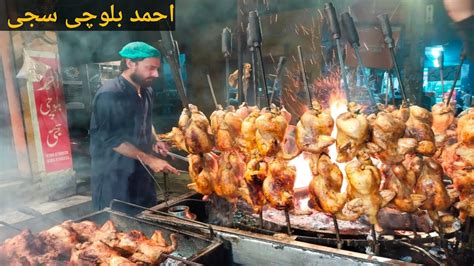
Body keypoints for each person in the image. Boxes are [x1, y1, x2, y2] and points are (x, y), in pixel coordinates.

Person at [89, 41, 179, 210]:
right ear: (130, 63)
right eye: (150, 68)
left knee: (145, 219)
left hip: (142, 173)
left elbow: (147, 119)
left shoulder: (146, 90)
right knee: (118, 224)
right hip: (115, 175)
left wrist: (156, 141)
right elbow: (112, 139)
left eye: (157, 68)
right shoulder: (110, 94)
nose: (156, 74)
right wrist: (151, 159)